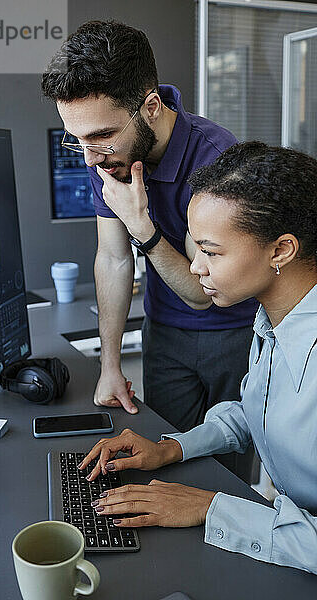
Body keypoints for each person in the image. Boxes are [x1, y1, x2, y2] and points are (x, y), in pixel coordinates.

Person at [78, 142, 317, 574]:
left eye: (210, 251)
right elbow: (256, 414)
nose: (194, 268)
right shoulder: (275, 318)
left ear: (281, 250)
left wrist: (211, 507)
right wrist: (170, 449)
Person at [41, 21, 257, 480]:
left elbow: (203, 292)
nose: (88, 157)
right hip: (166, 334)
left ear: (151, 107)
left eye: (100, 135)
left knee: (226, 477)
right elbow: (113, 259)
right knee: (161, 465)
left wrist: (142, 225)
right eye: (75, 138)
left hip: (234, 336)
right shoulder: (106, 159)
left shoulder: (216, 155)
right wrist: (110, 365)